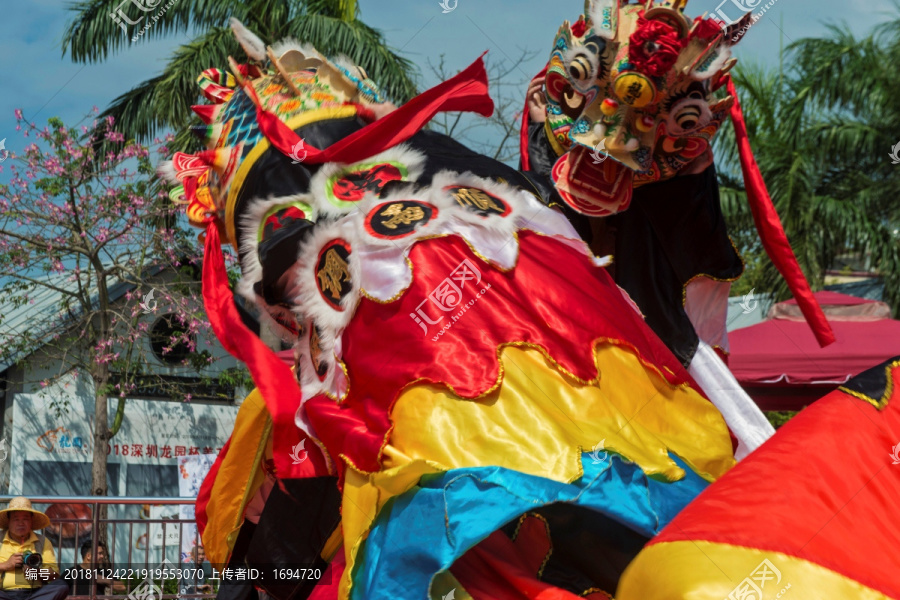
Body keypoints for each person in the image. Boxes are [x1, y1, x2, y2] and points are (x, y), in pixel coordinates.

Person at [0, 497, 68, 600]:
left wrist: (36, 573)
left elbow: (54, 575)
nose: (21, 523)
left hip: (35, 594)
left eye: (25, 519)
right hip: (4, 594)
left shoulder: (42, 541)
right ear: (8, 522)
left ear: (31, 521)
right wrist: (6, 565)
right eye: (16, 519)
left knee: (61, 585)